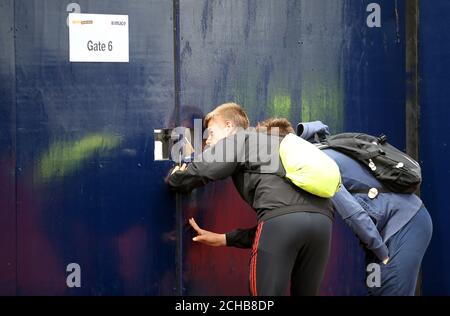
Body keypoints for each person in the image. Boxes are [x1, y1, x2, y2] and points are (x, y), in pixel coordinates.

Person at [190, 118, 433, 296]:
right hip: (376, 233)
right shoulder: (299, 163)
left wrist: (381, 253)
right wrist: (226, 238)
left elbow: (352, 212)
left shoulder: (314, 163)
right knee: (375, 288)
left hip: (406, 224)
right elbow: (276, 225)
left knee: (388, 288)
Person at [166, 103, 335, 296]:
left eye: (211, 133)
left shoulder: (241, 138)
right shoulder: (283, 147)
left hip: (282, 223)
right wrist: (225, 239)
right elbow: (289, 214)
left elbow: (205, 170)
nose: (208, 142)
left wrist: (175, 178)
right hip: (323, 224)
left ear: (229, 126)